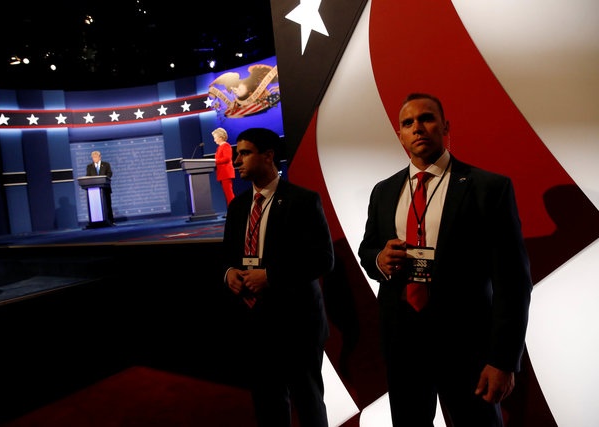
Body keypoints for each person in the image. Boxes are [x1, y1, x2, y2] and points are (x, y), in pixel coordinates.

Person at [358, 93, 532, 426]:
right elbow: (367, 250)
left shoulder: (488, 187)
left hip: (467, 345)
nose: (417, 127)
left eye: (426, 118)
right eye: (408, 123)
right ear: (400, 135)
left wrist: (503, 360)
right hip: (403, 343)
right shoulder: (384, 191)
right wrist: (379, 259)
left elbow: (513, 281)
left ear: (445, 126)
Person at [222, 127, 334, 427]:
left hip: (298, 324)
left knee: (308, 403)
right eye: (237, 154)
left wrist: (271, 276)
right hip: (255, 323)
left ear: (268, 155)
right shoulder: (237, 207)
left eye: (244, 153)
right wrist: (229, 273)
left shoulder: (303, 200)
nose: (237, 161)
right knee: (268, 404)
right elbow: (227, 256)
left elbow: (323, 259)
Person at [86, 150, 114, 223]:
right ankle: (97, 221)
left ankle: (111, 221)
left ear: (99, 157)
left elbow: (109, 173)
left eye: (96, 157)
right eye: (93, 157)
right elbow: (88, 176)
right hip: (94, 190)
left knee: (107, 205)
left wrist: (103, 179)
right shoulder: (89, 167)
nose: (94, 158)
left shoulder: (106, 164)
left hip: (105, 188)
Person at [212, 127, 236, 207]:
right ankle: (231, 209)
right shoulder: (219, 147)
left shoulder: (226, 146)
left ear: (220, 137)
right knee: (227, 193)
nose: (214, 140)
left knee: (229, 193)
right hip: (222, 173)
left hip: (226, 173)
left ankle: (234, 209)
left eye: (215, 138)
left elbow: (227, 158)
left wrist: (215, 161)